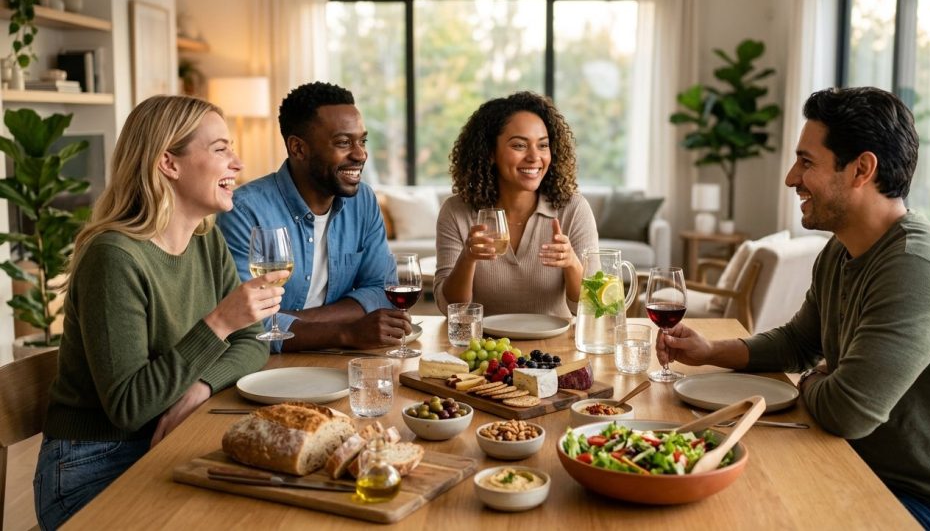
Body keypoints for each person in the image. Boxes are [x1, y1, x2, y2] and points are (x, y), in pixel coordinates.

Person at [657, 87, 930, 530]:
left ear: (862, 169)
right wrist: (710, 351)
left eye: (806, 162)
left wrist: (813, 378)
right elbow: (800, 342)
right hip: (863, 468)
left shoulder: (917, 267)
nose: (791, 178)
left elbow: (847, 412)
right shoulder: (840, 251)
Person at [33, 95, 278, 530]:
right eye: (221, 149)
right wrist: (219, 323)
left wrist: (199, 387)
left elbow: (253, 344)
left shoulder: (206, 240)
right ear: (169, 163)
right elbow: (129, 407)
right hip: (94, 464)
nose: (237, 163)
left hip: (169, 439)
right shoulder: (114, 257)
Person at [217, 82, 409, 352]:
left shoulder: (363, 201)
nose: (360, 154)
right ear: (297, 148)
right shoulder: (244, 211)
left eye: (362, 141)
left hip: (340, 358)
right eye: (343, 142)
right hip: (266, 367)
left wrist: (290, 322)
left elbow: (382, 291)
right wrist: (344, 331)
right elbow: (245, 323)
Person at [434, 91, 598, 318]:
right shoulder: (456, 212)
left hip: (555, 348)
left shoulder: (573, 208)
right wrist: (467, 258)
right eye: (520, 146)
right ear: (490, 152)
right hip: (484, 348)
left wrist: (572, 264)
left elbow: (594, 307)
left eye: (542, 145)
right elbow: (450, 308)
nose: (534, 157)